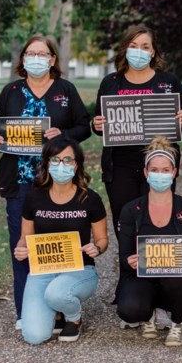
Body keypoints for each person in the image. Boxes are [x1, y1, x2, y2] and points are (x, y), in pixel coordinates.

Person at [0, 35, 91, 330]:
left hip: (57, 182)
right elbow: (0, 128)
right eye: (30, 53)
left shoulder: (65, 89)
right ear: (23, 59)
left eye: (42, 53)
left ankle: (60, 306)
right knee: (22, 246)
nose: (36, 58)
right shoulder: (10, 90)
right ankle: (26, 309)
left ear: (52, 59)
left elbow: (85, 126)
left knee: (56, 244)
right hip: (20, 181)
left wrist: (64, 134)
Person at [92, 25, 182, 240]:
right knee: (124, 221)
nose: (139, 51)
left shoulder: (169, 82)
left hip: (158, 165)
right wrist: (97, 124)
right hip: (120, 166)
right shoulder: (110, 82)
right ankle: (129, 270)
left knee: (157, 220)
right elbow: (98, 123)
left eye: (145, 46)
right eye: (134, 45)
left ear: (153, 51)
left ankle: (154, 270)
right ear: (125, 50)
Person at [14, 137, 109, 344]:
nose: (61, 165)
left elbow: (102, 239)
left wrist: (97, 247)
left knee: (56, 294)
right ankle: (56, 312)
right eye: (55, 160)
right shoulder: (33, 197)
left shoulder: (90, 199)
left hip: (80, 270)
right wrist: (21, 249)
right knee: (34, 336)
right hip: (43, 271)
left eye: (67, 160)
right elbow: (24, 238)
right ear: (47, 163)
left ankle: (73, 318)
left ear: (77, 165)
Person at [116, 137, 182, 347]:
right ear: (146, 173)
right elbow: (122, 258)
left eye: (165, 170)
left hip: (178, 282)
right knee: (130, 310)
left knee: (176, 278)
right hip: (144, 277)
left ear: (174, 173)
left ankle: (177, 321)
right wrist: (130, 260)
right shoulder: (131, 210)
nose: (160, 174)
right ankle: (148, 313)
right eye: (155, 170)